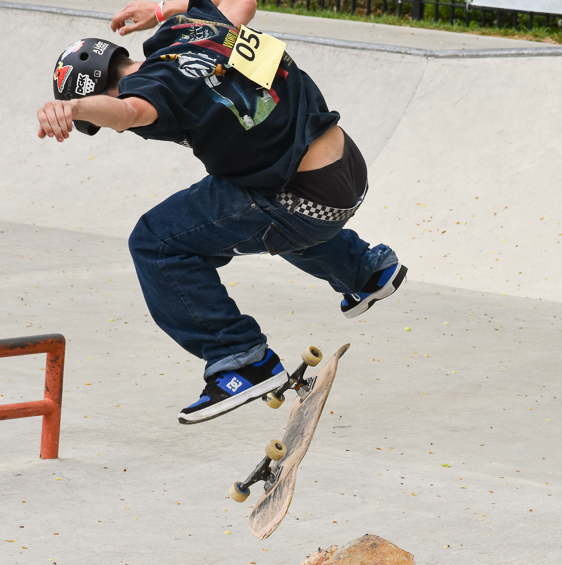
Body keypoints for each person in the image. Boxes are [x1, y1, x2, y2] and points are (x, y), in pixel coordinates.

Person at [37, 0, 406, 424]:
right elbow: (243, 4)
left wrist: (75, 109)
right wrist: (160, 10)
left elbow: (127, 112)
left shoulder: (155, 90)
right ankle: (365, 271)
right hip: (345, 168)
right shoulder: (188, 28)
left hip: (300, 200)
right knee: (241, 204)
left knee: (156, 240)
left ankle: (240, 358)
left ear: (101, 90)